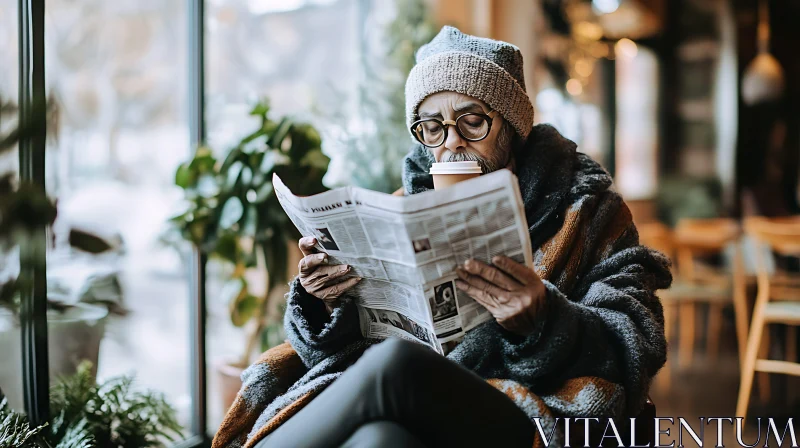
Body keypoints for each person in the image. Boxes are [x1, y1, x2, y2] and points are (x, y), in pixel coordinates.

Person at [213, 26, 671, 448]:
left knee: (396, 366)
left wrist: (546, 323)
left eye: (472, 121)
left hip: (528, 409)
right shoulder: (400, 208)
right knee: (380, 439)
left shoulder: (589, 211)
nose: (451, 142)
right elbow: (334, 349)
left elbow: (638, 339)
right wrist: (325, 302)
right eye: (432, 127)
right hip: (416, 412)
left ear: (512, 127)